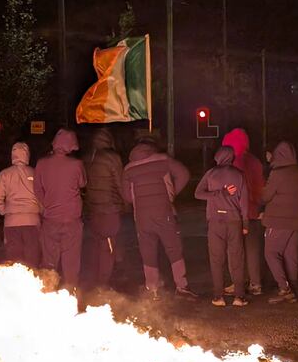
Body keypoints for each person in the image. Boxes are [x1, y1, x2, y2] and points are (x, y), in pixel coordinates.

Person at [122, 136, 197, 300]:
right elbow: (184, 174)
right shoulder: (163, 160)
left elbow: (127, 196)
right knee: (173, 248)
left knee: (147, 250)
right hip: (164, 212)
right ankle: (182, 287)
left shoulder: (128, 168)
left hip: (141, 216)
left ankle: (152, 289)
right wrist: (171, 194)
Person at [195, 146, 249, 307]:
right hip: (234, 221)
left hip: (215, 221)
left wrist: (217, 194)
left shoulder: (211, 173)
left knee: (216, 259)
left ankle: (218, 297)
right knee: (236, 259)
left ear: (218, 157)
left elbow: (197, 193)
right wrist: (245, 223)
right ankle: (239, 297)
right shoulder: (239, 175)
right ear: (232, 157)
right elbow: (244, 202)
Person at [35, 129, 86, 290]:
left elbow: (37, 189)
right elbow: (83, 183)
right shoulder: (76, 164)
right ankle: (71, 295)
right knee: (71, 263)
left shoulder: (41, 163)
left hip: (50, 220)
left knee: (49, 262)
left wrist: (47, 205)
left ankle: (47, 293)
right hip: (72, 221)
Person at [262, 141, 298, 304]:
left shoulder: (277, 173)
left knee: (271, 253)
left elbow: (265, 196)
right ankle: (293, 289)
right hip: (296, 221)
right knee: (290, 254)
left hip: (278, 221)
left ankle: (284, 288)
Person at [221, 128, 265, 294]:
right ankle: (256, 284)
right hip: (254, 211)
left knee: (235, 250)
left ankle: (238, 282)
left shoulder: (234, 163)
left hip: (237, 213)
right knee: (253, 250)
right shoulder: (255, 161)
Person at [83, 128, 125, 289]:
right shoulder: (112, 158)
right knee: (108, 245)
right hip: (109, 208)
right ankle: (104, 282)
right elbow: (119, 182)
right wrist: (126, 202)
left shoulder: (89, 158)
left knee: (97, 244)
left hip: (93, 208)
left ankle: (95, 278)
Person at [0, 142, 41, 268]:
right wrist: (39, 211)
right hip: (32, 222)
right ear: (27, 155)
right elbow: (42, 197)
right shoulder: (35, 173)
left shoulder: (5, 174)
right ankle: (32, 285)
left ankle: (15, 286)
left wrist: (4, 211)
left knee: (14, 260)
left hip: (11, 223)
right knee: (32, 259)